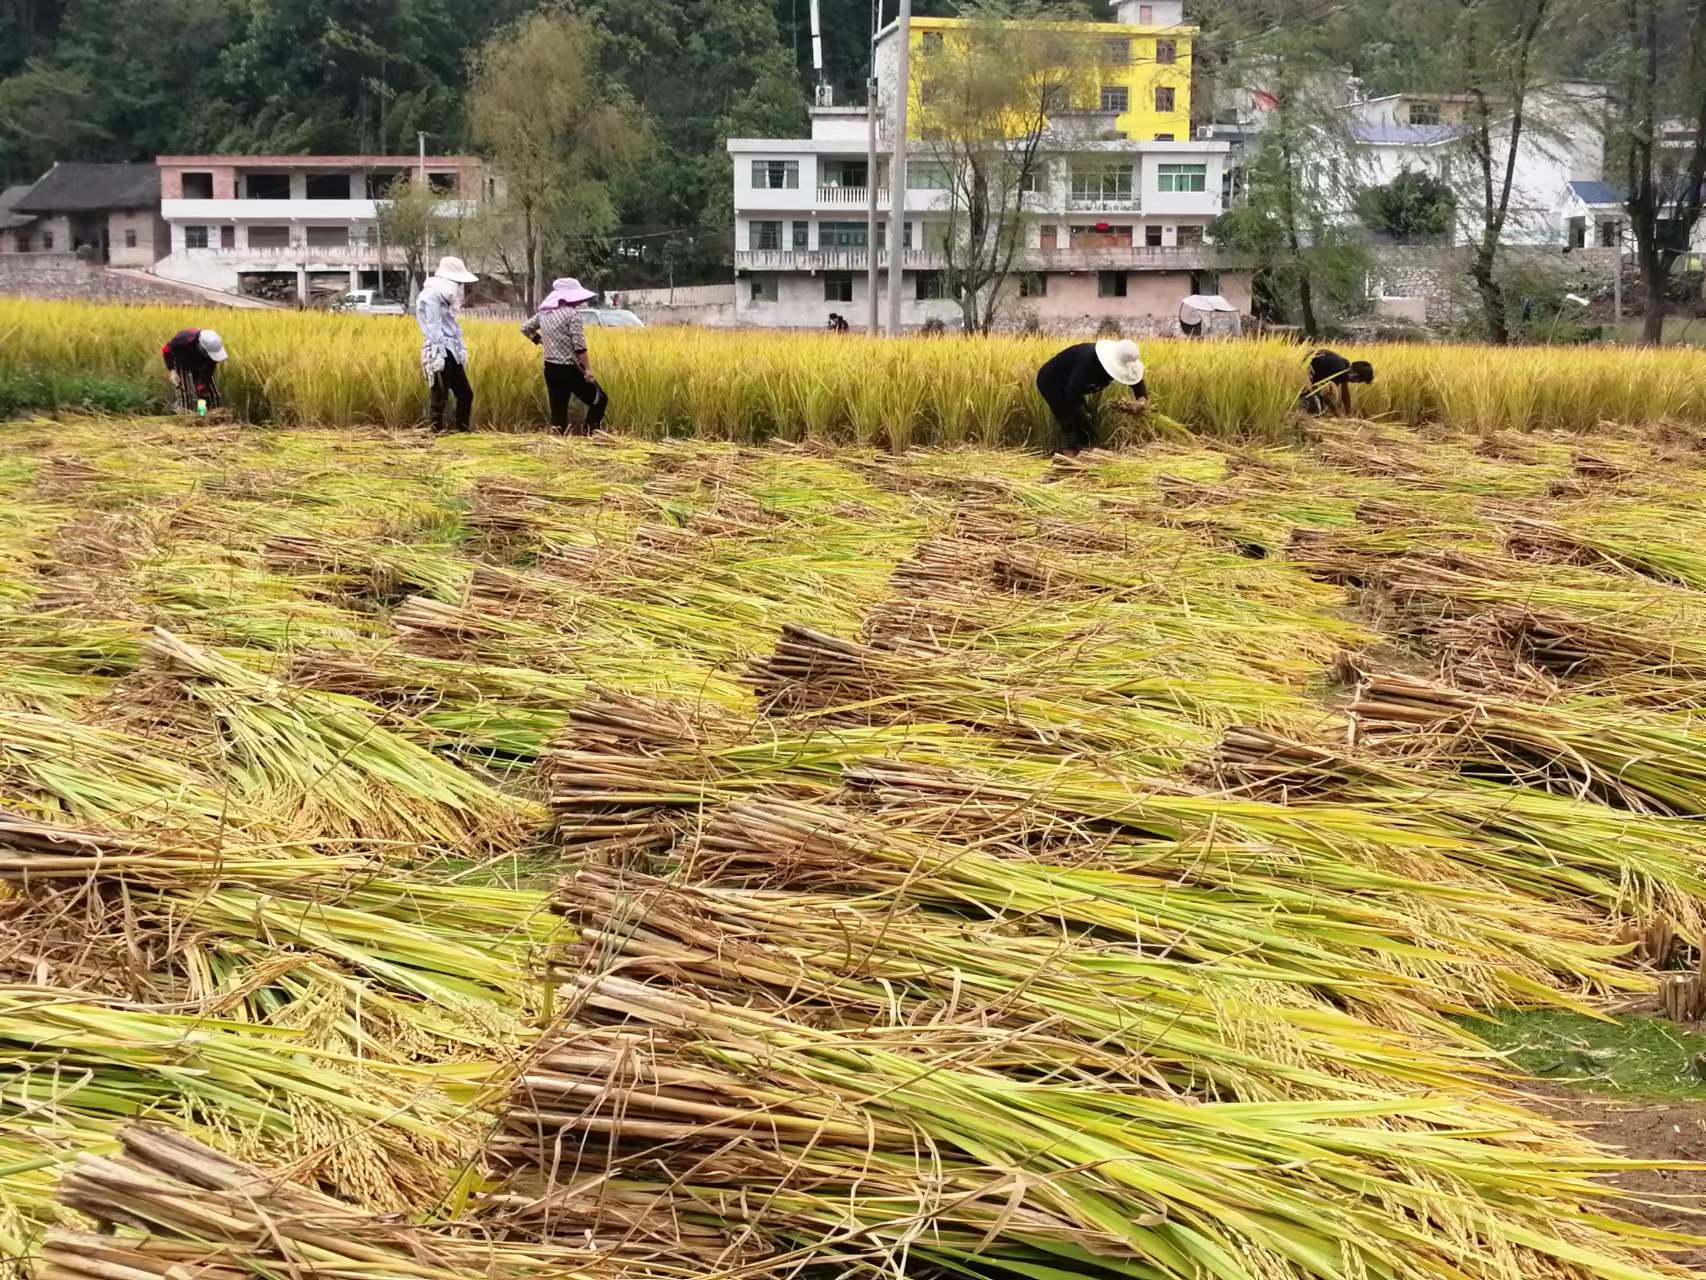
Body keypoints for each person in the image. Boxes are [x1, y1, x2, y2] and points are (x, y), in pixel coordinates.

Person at [521, 276, 608, 436]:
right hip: (571, 369)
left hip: (551, 369)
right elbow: (579, 346)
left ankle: (558, 449)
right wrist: (588, 369)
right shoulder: (572, 315)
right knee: (600, 399)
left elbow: (525, 328)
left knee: (558, 413)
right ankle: (591, 436)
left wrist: (540, 340)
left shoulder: (544, 313)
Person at [1034, 338, 1147, 455]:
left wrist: (1140, 402)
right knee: (1070, 419)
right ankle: (1070, 457)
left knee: (1085, 421)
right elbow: (1072, 396)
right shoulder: (1088, 362)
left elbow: (1138, 386)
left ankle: (1084, 452)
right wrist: (1085, 421)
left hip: (1073, 386)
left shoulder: (1126, 362)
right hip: (1052, 381)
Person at [417, 255, 479, 432]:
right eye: (457, 282)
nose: (459, 287)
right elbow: (432, 325)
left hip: (452, 350)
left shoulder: (447, 299)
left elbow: (453, 325)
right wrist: (437, 352)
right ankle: (435, 434)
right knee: (440, 397)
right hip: (437, 351)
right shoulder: (430, 296)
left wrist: (462, 347)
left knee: (466, 394)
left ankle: (462, 432)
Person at [160, 328, 228, 413]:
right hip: (182, 360)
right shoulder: (182, 341)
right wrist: (172, 371)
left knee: (213, 394)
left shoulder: (214, 347)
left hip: (202, 364)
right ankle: (184, 418)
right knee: (185, 394)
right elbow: (166, 350)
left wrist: (203, 385)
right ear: (201, 347)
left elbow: (210, 368)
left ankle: (215, 417)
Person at [1301, 349, 1375, 416]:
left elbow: (1345, 392)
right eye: (1357, 382)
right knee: (1316, 408)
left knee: (1318, 404)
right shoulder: (1337, 369)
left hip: (1310, 372)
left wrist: (1348, 413)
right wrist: (1336, 411)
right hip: (1301, 373)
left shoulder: (1345, 366)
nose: (1355, 383)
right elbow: (1323, 392)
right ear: (1354, 376)